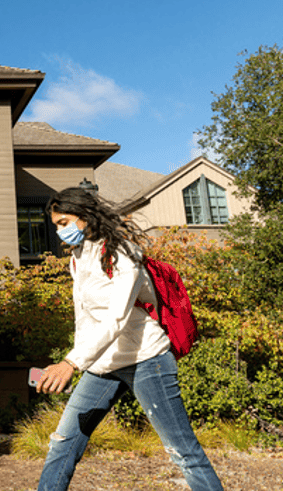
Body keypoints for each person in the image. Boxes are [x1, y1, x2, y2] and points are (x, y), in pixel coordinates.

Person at [34, 187, 223, 491]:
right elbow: (85, 318)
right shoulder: (78, 257)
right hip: (103, 364)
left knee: (184, 453)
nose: (60, 232)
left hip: (147, 360)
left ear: (85, 217)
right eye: (56, 225)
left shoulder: (122, 253)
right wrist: (79, 360)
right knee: (62, 446)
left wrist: (71, 362)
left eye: (64, 222)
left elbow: (116, 318)